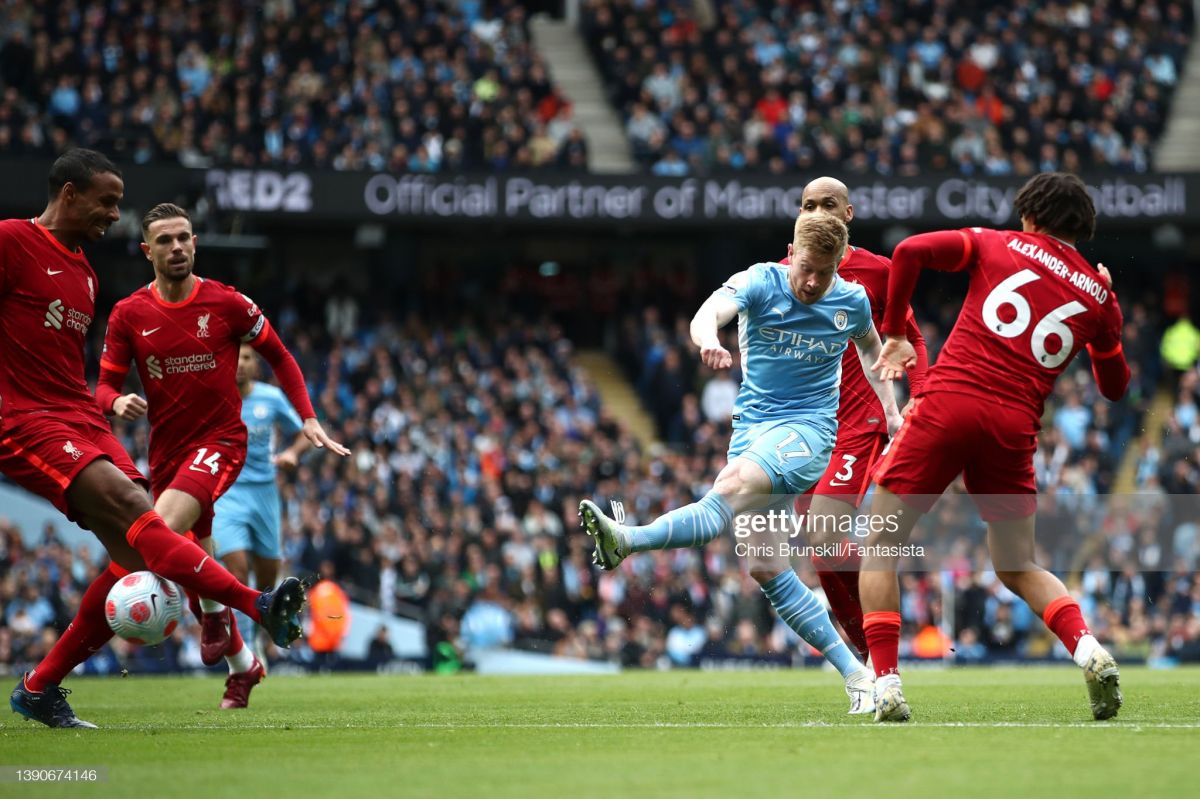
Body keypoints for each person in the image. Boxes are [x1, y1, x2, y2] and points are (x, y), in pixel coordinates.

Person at [3, 149, 305, 728]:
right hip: (28, 420)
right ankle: (257, 605)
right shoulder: (12, 241)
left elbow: (77, 376)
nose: (113, 214)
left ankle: (39, 687)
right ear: (70, 193)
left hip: (80, 422)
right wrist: (109, 398)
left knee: (139, 555)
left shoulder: (86, 275)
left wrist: (103, 405)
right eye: (107, 202)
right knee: (142, 517)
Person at [579, 213, 902, 714]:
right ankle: (856, 674)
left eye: (825, 271)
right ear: (790, 252)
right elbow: (708, 312)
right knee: (766, 566)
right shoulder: (759, 281)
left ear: (840, 263)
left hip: (808, 434)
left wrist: (892, 413)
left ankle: (627, 540)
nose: (813, 282)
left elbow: (870, 353)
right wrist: (708, 338)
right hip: (752, 431)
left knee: (729, 488)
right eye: (806, 269)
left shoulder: (852, 300)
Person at [861, 172, 1130, 722]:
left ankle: (886, 685)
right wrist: (1113, 315)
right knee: (1016, 563)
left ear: (1030, 217)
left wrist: (893, 333)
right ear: (1082, 229)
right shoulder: (1097, 295)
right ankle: (1087, 648)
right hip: (1013, 428)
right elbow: (1116, 387)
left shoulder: (995, 242)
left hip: (949, 406)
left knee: (880, 545)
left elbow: (909, 250)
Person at [95, 203, 349, 709]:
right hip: (167, 452)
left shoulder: (228, 303)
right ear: (147, 251)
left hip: (221, 443)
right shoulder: (129, 314)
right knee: (195, 557)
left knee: (158, 531)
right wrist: (116, 401)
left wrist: (309, 417)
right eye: (165, 241)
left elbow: (280, 355)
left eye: (184, 238)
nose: (177, 248)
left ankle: (224, 615)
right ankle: (243, 666)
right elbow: (102, 385)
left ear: (196, 243)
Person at [785, 177, 928, 661]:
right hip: (805, 426)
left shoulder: (879, 271)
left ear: (849, 213)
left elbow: (912, 338)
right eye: (809, 205)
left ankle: (872, 647)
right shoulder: (784, 272)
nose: (818, 211)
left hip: (859, 419)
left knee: (824, 530)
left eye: (828, 204)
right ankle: (867, 649)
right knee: (821, 545)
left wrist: (921, 397)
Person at [211, 343, 310, 658]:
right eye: (235, 357)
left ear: (256, 365)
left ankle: (259, 630)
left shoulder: (271, 398)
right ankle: (245, 649)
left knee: (268, 578)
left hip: (265, 493)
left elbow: (305, 432)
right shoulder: (213, 396)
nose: (240, 363)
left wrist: (293, 454)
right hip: (226, 493)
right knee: (237, 572)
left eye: (248, 357)